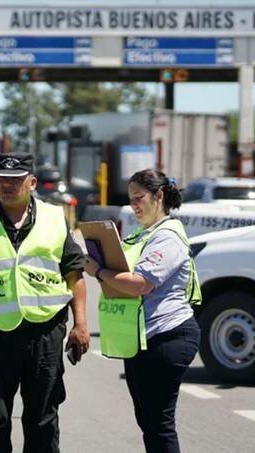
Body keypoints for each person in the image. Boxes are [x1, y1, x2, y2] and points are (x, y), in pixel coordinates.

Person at [0, 152, 89, 453]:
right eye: (2, 180)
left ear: (32, 182)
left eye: (15, 180)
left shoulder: (54, 218)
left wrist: (81, 324)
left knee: (43, 420)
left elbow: (75, 273)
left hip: (45, 333)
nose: (7, 186)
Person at [83, 169, 201, 453]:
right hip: (142, 338)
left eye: (140, 198)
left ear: (159, 196)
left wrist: (98, 270)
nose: (134, 205)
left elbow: (140, 284)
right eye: (130, 198)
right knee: (148, 421)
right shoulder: (142, 233)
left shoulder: (168, 236)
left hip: (168, 336)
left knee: (159, 423)